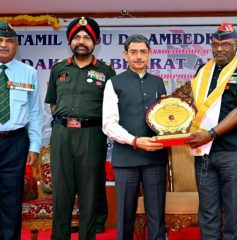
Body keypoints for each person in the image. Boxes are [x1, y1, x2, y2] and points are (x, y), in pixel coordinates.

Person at [186, 22, 237, 240]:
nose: (219, 49)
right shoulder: (203, 71)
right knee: (207, 211)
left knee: (233, 210)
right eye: (216, 44)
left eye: (225, 44)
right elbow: (191, 106)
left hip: (231, 152)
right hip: (203, 152)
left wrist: (210, 134)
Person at [45, 17, 116, 240]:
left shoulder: (106, 72)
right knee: (61, 193)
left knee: (89, 194)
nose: (81, 41)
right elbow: (54, 104)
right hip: (62, 135)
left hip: (92, 135)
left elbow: (111, 108)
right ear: (70, 41)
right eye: (77, 37)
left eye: (87, 37)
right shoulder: (58, 69)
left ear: (95, 42)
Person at [102, 34, 168, 240]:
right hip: (126, 159)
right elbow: (108, 124)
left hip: (155, 159)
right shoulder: (114, 83)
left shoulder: (159, 82)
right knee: (125, 218)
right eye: (133, 52)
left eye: (143, 52)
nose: (138, 57)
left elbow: (165, 118)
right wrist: (135, 141)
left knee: (156, 217)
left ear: (149, 54)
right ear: (125, 55)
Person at [0, 21, 42, 240]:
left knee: (11, 201)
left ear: (16, 45)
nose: (4, 45)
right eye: (0, 40)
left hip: (15, 143)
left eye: (9, 41)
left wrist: (34, 146)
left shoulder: (28, 73)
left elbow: (35, 113)